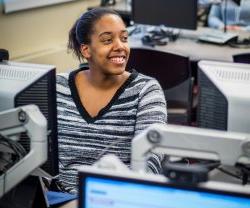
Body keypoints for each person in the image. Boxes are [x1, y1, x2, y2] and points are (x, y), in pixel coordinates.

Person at [56, 8, 167, 194]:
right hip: (58, 197)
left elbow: (151, 162)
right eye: (108, 40)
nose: (120, 46)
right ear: (86, 49)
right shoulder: (58, 86)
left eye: (124, 38)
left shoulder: (146, 90)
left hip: (119, 197)